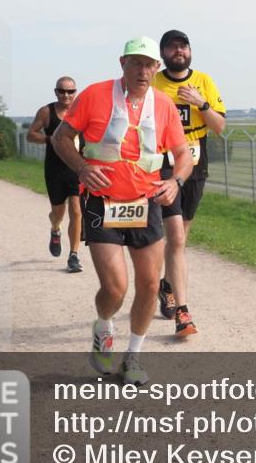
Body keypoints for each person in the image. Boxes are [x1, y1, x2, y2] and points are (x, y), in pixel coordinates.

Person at [51, 37, 192, 386]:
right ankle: (103, 326)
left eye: (148, 64)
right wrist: (82, 168)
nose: (143, 71)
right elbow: (60, 138)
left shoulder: (163, 105)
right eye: (135, 63)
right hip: (102, 201)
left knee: (148, 284)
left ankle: (133, 357)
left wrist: (176, 181)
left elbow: (183, 154)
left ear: (156, 68)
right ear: (122, 64)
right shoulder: (96, 95)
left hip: (147, 203)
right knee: (115, 288)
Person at [151, 29, 227, 338]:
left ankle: (166, 285)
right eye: (172, 47)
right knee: (176, 238)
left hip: (195, 165)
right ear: (163, 54)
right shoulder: (154, 83)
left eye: (183, 46)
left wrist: (201, 104)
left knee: (182, 234)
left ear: (190, 51)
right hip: (164, 167)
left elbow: (220, 127)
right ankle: (181, 310)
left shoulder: (204, 81)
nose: (178, 51)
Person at [27, 77, 85, 273]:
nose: (66, 95)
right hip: (55, 169)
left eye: (70, 91)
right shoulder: (46, 112)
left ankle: (74, 255)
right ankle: (55, 229)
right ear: (56, 92)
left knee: (77, 211)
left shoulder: (83, 110)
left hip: (78, 168)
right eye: (62, 91)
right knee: (58, 214)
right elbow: (30, 134)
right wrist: (50, 139)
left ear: (76, 92)